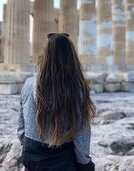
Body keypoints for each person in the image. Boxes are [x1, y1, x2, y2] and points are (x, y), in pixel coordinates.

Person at [17, 33, 96, 171]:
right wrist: (85, 164)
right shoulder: (76, 89)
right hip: (62, 160)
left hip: (32, 159)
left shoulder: (29, 84)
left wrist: (30, 147)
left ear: (46, 55)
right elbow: (81, 134)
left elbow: (21, 126)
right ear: (71, 57)